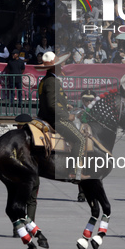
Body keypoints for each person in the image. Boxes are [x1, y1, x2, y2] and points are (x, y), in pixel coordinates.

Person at [36, 51, 87, 180]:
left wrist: (66, 105)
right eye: (60, 65)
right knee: (80, 139)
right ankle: (74, 171)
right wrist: (66, 115)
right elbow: (52, 105)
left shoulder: (46, 80)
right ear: (55, 67)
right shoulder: (52, 81)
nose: (62, 67)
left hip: (46, 116)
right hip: (55, 119)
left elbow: (52, 100)